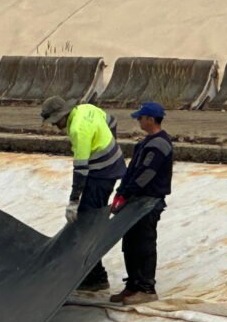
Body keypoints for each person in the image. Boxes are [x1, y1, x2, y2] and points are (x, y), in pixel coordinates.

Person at [40, 96, 125, 292]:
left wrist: (73, 200)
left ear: (62, 116)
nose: (55, 127)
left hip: (101, 175)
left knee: (87, 223)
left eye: (55, 122)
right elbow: (112, 121)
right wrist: (110, 144)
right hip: (112, 166)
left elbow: (80, 170)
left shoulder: (78, 130)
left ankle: (96, 278)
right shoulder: (86, 108)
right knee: (89, 220)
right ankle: (93, 274)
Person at [110, 102, 173, 306]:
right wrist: (120, 193)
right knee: (130, 244)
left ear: (150, 120)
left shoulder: (160, 144)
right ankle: (133, 285)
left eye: (141, 118)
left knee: (144, 244)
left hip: (149, 201)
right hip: (135, 200)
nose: (138, 121)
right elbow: (132, 171)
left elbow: (146, 175)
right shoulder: (145, 143)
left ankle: (146, 288)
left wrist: (127, 193)